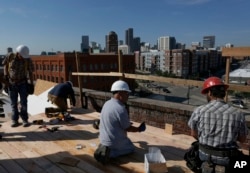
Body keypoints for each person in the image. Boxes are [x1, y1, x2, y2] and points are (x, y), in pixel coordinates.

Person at [188, 77, 248, 172]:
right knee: (244, 164)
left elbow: (193, 134)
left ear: (210, 93)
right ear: (224, 93)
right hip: (228, 159)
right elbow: (242, 139)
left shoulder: (199, 111)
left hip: (204, 155)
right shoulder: (238, 114)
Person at [94, 80, 146, 164]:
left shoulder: (107, 103)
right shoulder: (120, 109)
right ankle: (109, 153)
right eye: (126, 93)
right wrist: (139, 129)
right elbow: (128, 128)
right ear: (120, 93)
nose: (128, 96)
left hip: (103, 139)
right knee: (131, 148)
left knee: (126, 141)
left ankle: (105, 147)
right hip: (113, 142)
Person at [3, 45, 34, 127]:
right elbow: (5, 65)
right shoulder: (10, 56)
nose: (23, 58)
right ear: (17, 53)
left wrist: (31, 84)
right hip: (11, 84)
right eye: (22, 56)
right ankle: (14, 120)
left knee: (24, 102)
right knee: (13, 103)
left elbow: (30, 72)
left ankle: (24, 119)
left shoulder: (27, 59)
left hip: (23, 83)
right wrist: (6, 76)